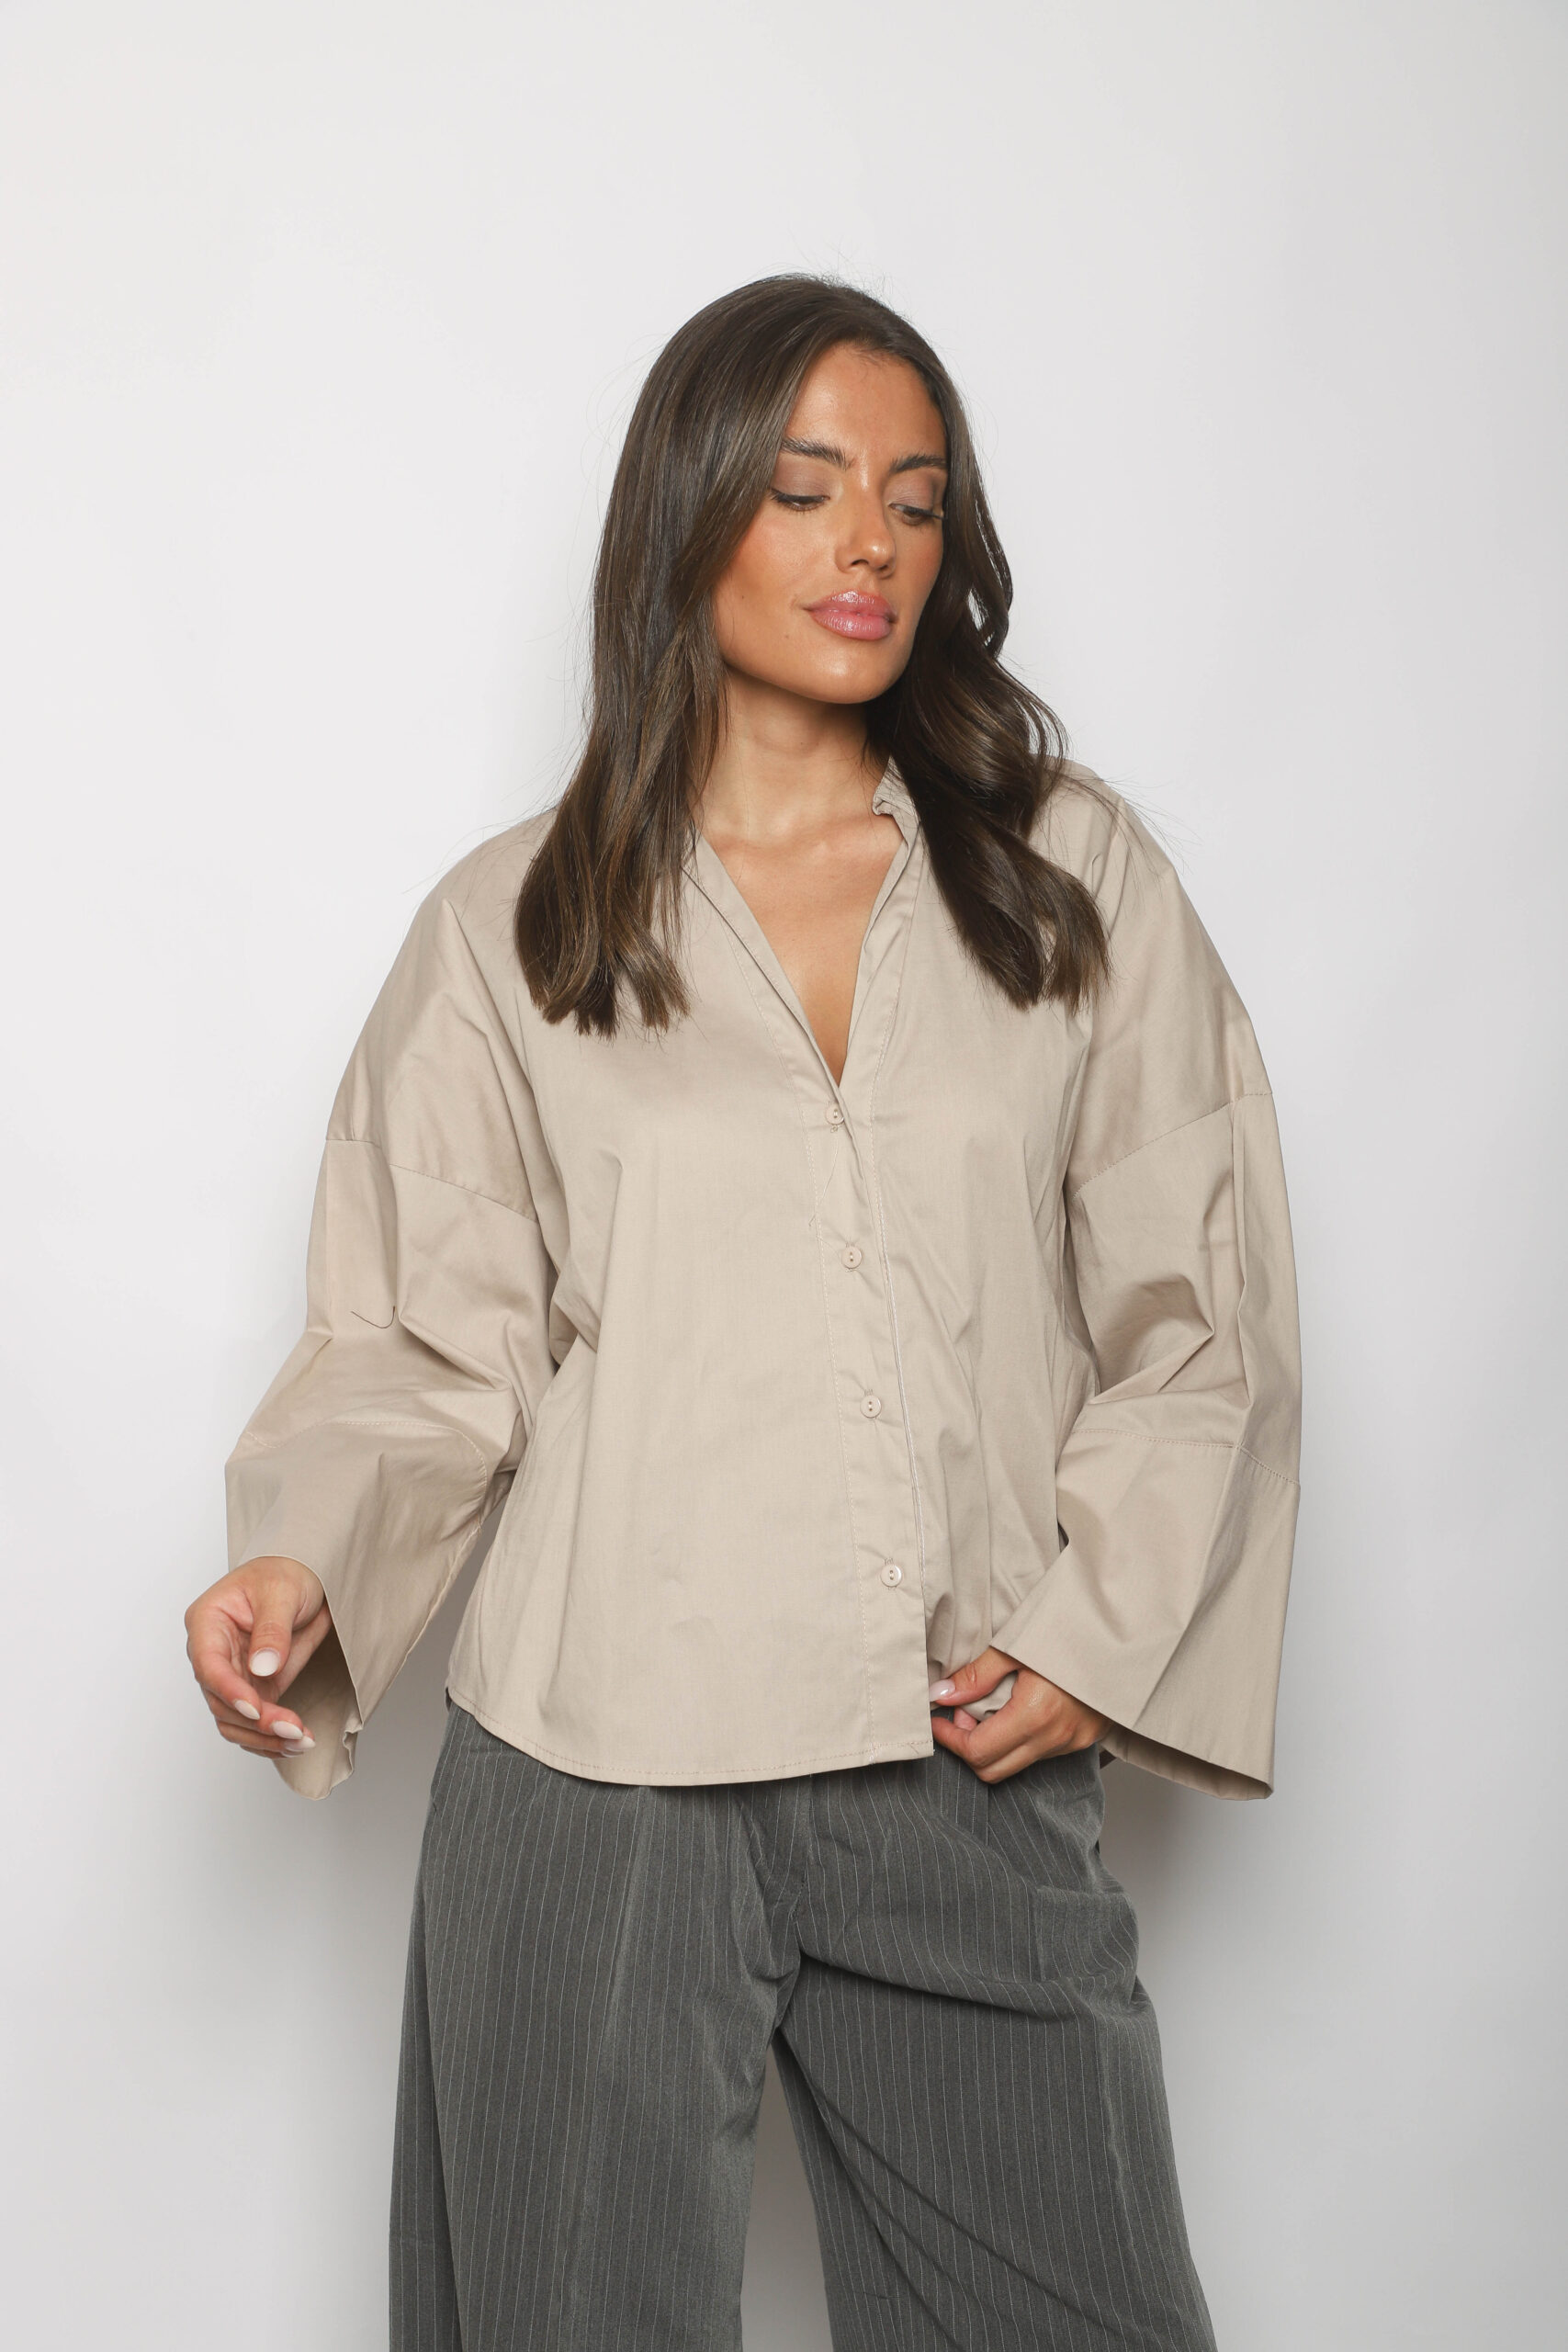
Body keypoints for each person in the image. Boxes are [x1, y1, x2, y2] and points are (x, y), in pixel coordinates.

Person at [186, 274, 1301, 2352]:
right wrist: (302, 1562)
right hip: (592, 1771)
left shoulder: (1067, 881)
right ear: (688, 512)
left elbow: (1201, 1300)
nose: (869, 543)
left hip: (953, 1753)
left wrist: (1099, 1629)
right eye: (804, 491)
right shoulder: (516, 925)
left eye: (913, 499)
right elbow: (427, 1341)